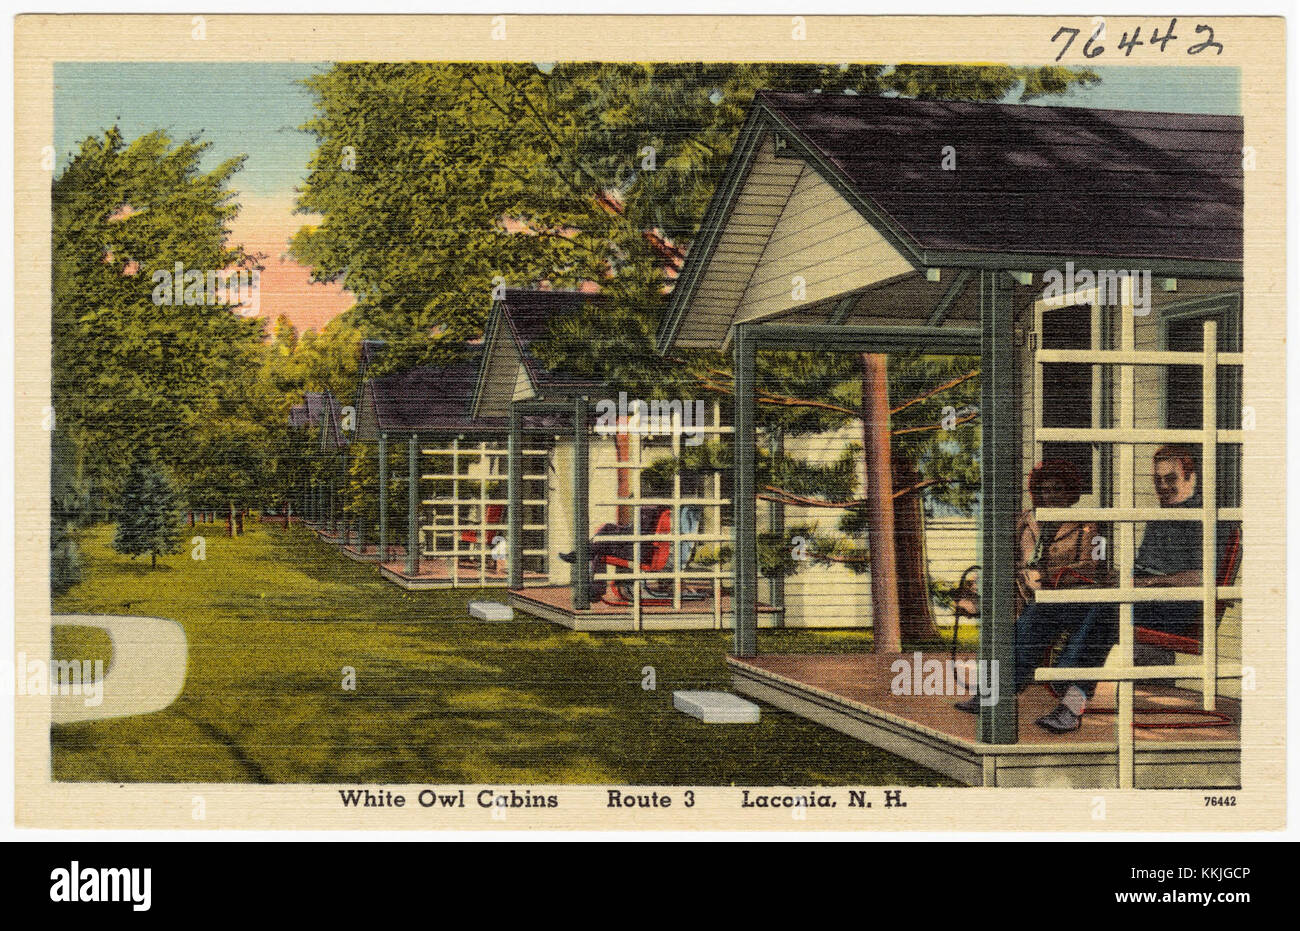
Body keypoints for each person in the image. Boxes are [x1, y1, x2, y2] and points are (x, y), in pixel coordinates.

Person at [1027, 445, 1237, 733]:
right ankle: (1001, 688)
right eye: (1158, 480)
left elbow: (1202, 577)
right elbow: (1143, 569)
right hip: (1143, 597)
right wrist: (1117, 578)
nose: (1162, 487)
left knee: (1109, 608)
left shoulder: (1209, 518)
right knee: (1057, 601)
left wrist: (1141, 584)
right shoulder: (1161, 516)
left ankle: (1070, 705)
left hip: (1179, 608)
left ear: (1191, 477)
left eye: (1171, 479)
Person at [957, 460, 1101, 717]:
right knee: (1013, 615)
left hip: (1066, 596)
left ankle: (1056, 700)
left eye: (1057, 489)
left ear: (1070, 493)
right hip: (1024, 591)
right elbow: (1005, 557)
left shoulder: (1085, 525)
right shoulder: (1026, 520)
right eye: (1045, 490)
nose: (1050, 496)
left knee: (1027, 624)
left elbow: (1091, 567)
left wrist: (1049, 576)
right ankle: (991, 693)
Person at [559, 505, 667, 603]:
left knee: (601, 545)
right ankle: (582, 558)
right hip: (637, 549)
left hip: (638, 553)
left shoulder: (651, 513)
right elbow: (635, 532)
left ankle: (579, 556)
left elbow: (638, 535)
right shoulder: (655, 513)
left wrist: (617, 532)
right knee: (602, 541)